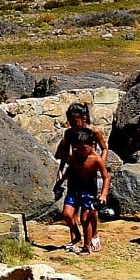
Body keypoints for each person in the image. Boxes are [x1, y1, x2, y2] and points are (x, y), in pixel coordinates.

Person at [55, 104, 110, 253]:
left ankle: (94, 235)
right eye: (69, 121)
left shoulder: (93, 132)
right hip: (74, 171)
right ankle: (75, 239)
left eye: (74, 121)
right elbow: (66, 154)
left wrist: (100, 163)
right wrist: (60, 171)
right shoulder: (69, 134)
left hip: (90, 172)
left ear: (83, 118)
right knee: (70, 211)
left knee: (89, 210)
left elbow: (105, 148)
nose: (72, 124)